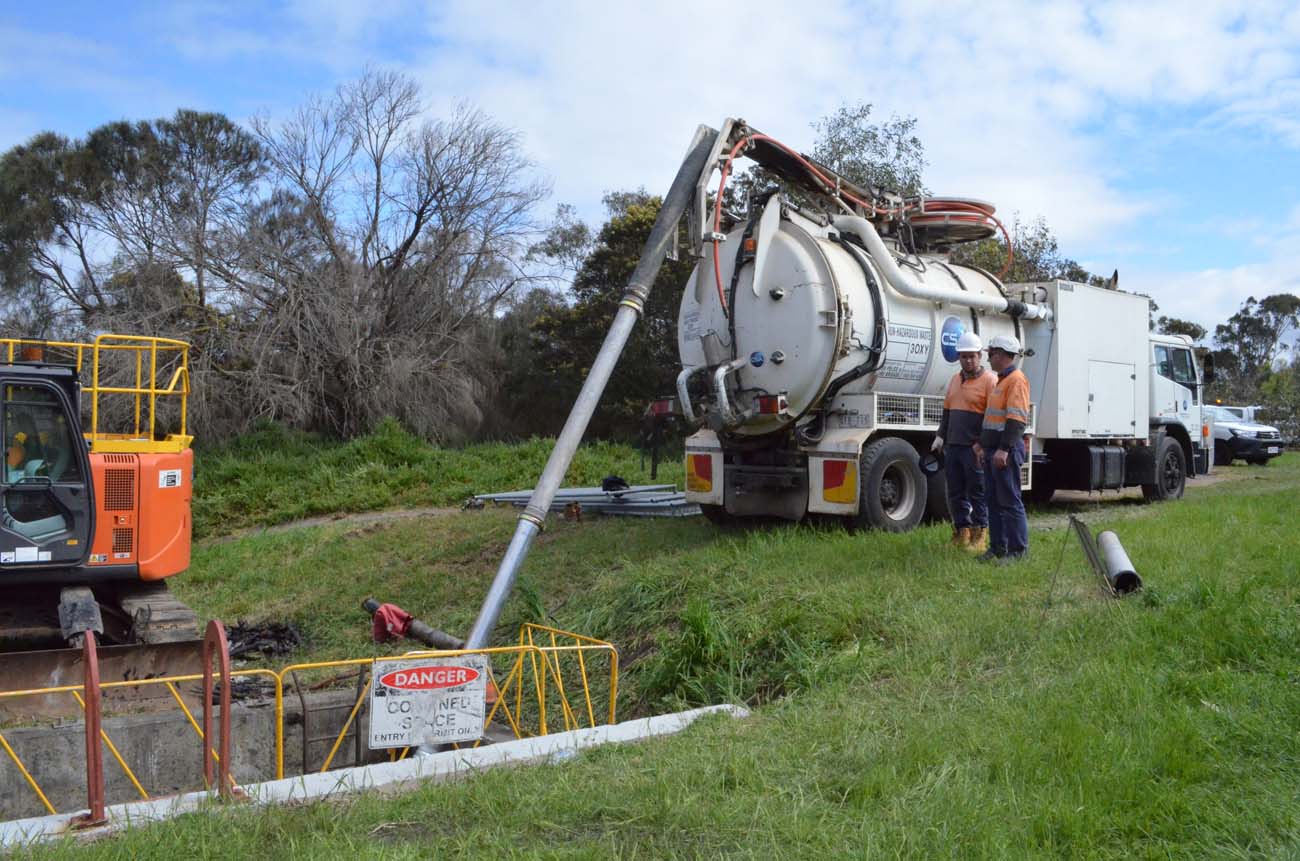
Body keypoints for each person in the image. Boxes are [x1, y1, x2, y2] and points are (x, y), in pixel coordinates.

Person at [931, 331, 996, 552]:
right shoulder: (954, 380)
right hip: (953, 446)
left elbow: (992, 417)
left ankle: (981, 534)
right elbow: (948, 412)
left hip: (974, 448)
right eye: (964, 356)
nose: (968, 360)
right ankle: (961, 531)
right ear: (959, 358)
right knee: (955, 491)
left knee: (977, 491)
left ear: (980, 356)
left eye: (972, 356)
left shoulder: (990, 381)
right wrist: (940, 436)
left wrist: (983, 444)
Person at [974, 334, 1031, 562]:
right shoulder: (1001, 380)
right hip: (992, 450)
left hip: (1003, 451)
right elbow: (992, 419)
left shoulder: (1016, 380)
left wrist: (1004, 449)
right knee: (993, 501)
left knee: (1009, 500)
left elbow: (1016, 420)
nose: (988, 358)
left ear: (1004, 355)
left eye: (992, 353)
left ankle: (1018, 551)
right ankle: (998, 548)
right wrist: (982, 445)